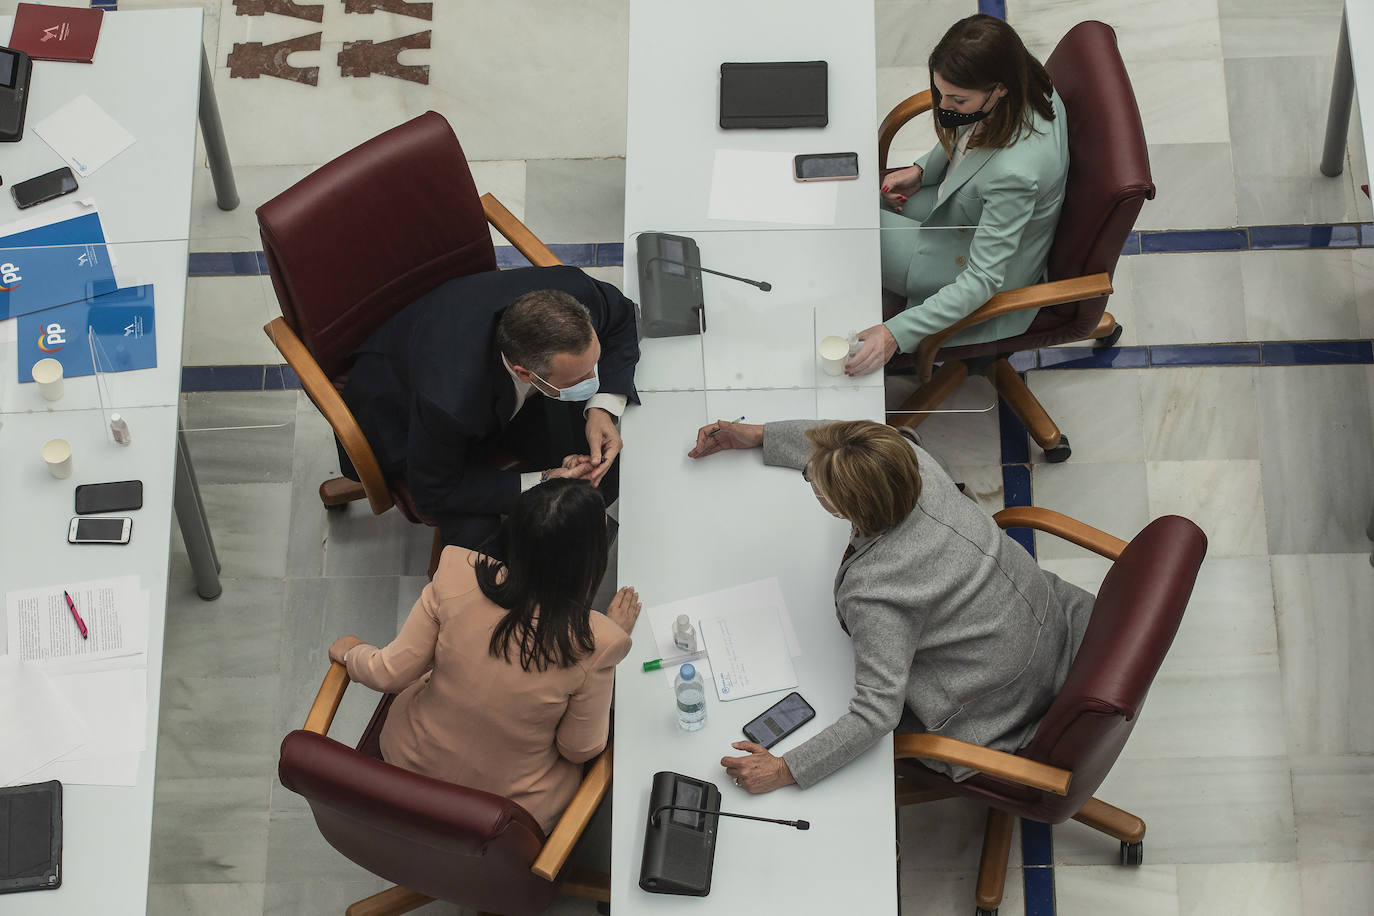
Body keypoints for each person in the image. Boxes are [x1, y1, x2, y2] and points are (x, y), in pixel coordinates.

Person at [687, 418, 1095, 793]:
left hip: (1001, 710)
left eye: (815, 481)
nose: (810, 475)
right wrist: (762, 436)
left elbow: (877, 715)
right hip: (1054, 621)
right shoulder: (910, 459)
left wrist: (784, 769)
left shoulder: (876, 590)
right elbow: (852, 438)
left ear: (842, 507)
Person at [328, 478, 642, 833]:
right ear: (588, 561)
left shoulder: (455, 571)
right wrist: (614, 631)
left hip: (408, 772)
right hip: (504, 814)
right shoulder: (596, 642)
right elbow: (578, 749)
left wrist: (350, 652)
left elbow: (389, 673)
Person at [338, 264, 640, 548]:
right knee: (485, 547)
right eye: (580, 377)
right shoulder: (447, 403)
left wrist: (601, 407)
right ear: (525, 373)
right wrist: (543, 482)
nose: (593, 379)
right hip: (408, 419)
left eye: (595, 364)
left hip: (501, 398)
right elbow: (434, 490)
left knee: (603, 472)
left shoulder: (578, 294)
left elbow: (623, 318)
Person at [847, 14, 1069, 376]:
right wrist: (923, 170)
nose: (944, 105)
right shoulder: (1017, 69)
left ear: (999, 88)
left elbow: (983, 279)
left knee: (848, 229)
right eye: (940, 93)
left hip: (961, 260)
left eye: (958, 99)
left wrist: (895, 333)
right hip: (959, 208)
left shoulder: (1015, 173)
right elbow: (972, 133)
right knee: (851, 198)